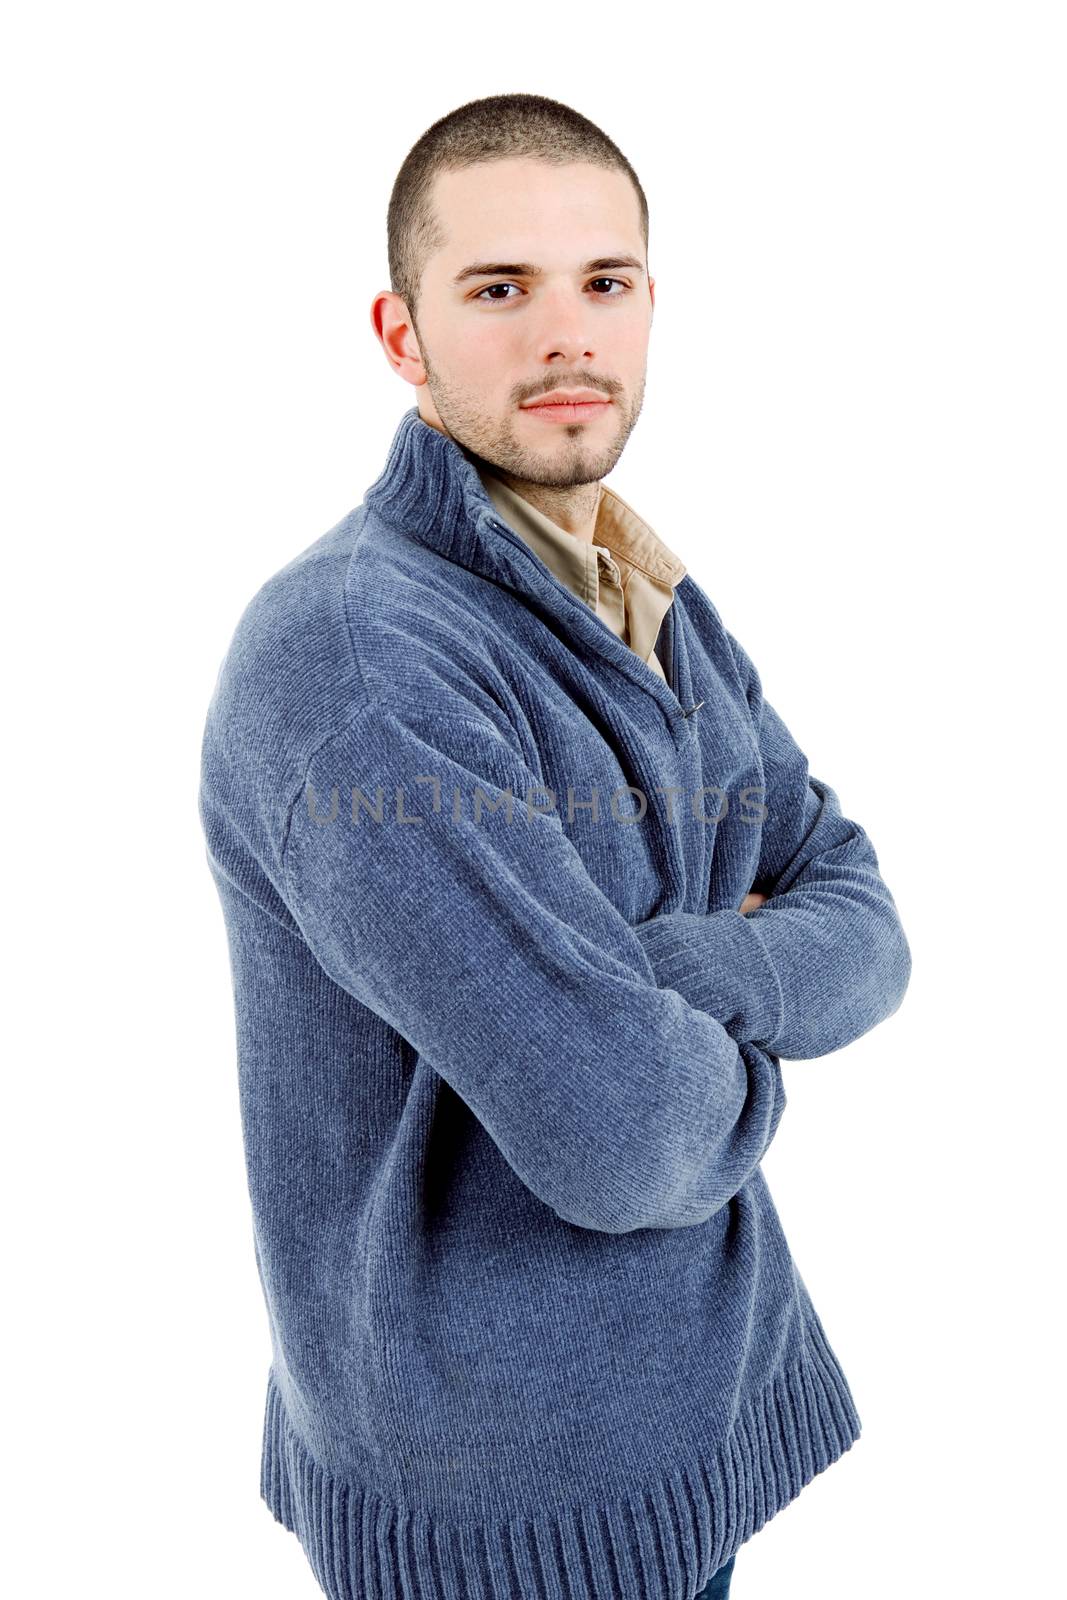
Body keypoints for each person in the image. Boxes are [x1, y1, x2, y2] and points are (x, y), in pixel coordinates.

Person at [198, 92, 912, 1600]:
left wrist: (671, 972)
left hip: (693, 1432)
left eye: (605, 283)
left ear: (652, 306)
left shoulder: (646, 595)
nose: (564, 334)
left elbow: (867, 926)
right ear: (402, 333)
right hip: (494, 1507)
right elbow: (622, 1134)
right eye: (499, 289)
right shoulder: (355, 659)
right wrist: (722, 1020)